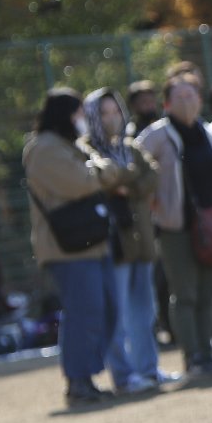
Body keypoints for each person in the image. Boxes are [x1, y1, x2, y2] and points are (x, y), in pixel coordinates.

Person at [23, 88, 126, 404]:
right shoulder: (44, 147)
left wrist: (99, 170)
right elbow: (81, 182)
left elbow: (105, 171)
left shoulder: (72, 144)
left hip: (91, 242)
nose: (84, 119)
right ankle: (78, 381)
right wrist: (101, 169)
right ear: (64, 114)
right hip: (66, 247)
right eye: (79, 113)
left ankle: (87, 376)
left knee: (107, 308)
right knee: (85, 311)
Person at [80, 88, 179, 394]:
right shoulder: (86, 150)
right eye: (104, 113)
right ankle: (124, 375)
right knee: (117, 313)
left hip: (142, 241)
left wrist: (127, 183)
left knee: (144, 311)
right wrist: (128, 179)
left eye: (115, 112)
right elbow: (105, 180)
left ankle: (148, 369)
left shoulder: (129, 147)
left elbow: (151, 176)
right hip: (115, 243)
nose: (112, 119)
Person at [138, 72, 212, 378]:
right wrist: (154, 202)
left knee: (208, 293)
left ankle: (207, 353)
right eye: (179, 96)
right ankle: (192, 357)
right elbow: (136, 168)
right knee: (185, 293)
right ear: (166, 103)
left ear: (200, 99)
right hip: (175, 227)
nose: (186, 101)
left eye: (191, 95)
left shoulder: (208, 133)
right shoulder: (157, 135)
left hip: (211, 225)